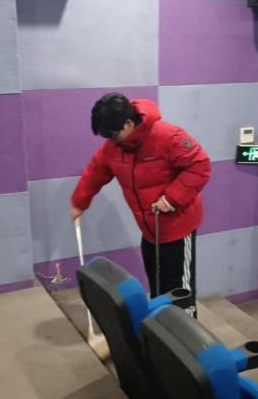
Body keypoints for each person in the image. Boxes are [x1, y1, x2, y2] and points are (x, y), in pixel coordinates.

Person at [70, 93, 211, 318]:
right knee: (157, 288)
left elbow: (200, 166)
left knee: (178, 292)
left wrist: (171, 198)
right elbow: (95, 172)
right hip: (149, 230)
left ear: (128, 123)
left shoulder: (169, 136)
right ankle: (161, 331)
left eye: (111, 134)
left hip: (178, 228)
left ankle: (185, 335)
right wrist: (79, 203)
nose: (110, 140)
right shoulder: (114, 147)